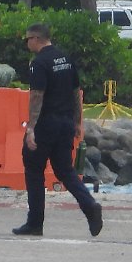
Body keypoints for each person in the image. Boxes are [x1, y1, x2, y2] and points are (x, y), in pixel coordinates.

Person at [14, 23, 103, 238]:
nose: (26, 44)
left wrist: (31, 129)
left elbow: (37, 96)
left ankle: (35, 223)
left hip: (46, 123)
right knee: (65, 170)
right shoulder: (66, 59)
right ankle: (90, 205)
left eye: (27, 39)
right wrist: (78, 122)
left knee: (34, 169)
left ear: (36, 39)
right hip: (65, 123)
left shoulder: (39, 63)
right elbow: (76, 92)